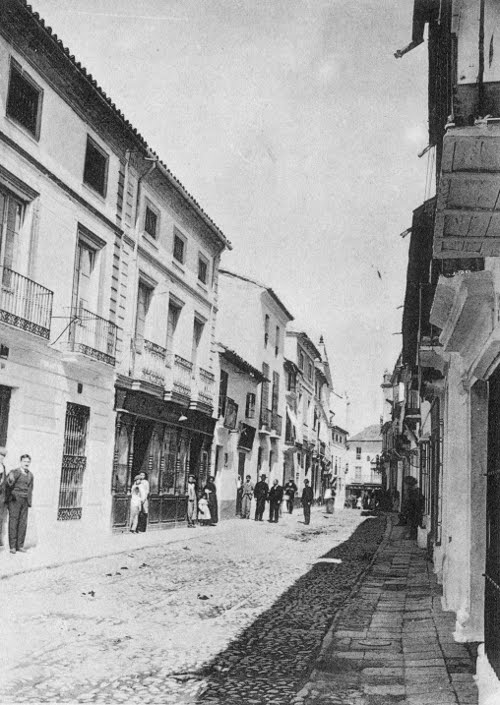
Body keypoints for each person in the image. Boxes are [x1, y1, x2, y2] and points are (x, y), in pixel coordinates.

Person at [6, 454, 34, 554]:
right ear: (21, 462)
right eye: (24, 461)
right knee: (14, 522)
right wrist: (9, 499)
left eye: (28, 462)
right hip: (15, 500)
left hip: (25, 501)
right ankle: (13, 547)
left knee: (23, 523)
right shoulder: (15, 472)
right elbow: (8, 484)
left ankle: (20, 546)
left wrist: (29, 501)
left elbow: (31, 489)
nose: (26, 463)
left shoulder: (30, 475)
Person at [0, 448, 7, 547]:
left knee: (0, 517)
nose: (1, 457)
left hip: (1, 497)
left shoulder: (3, 467)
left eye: (3, 456)